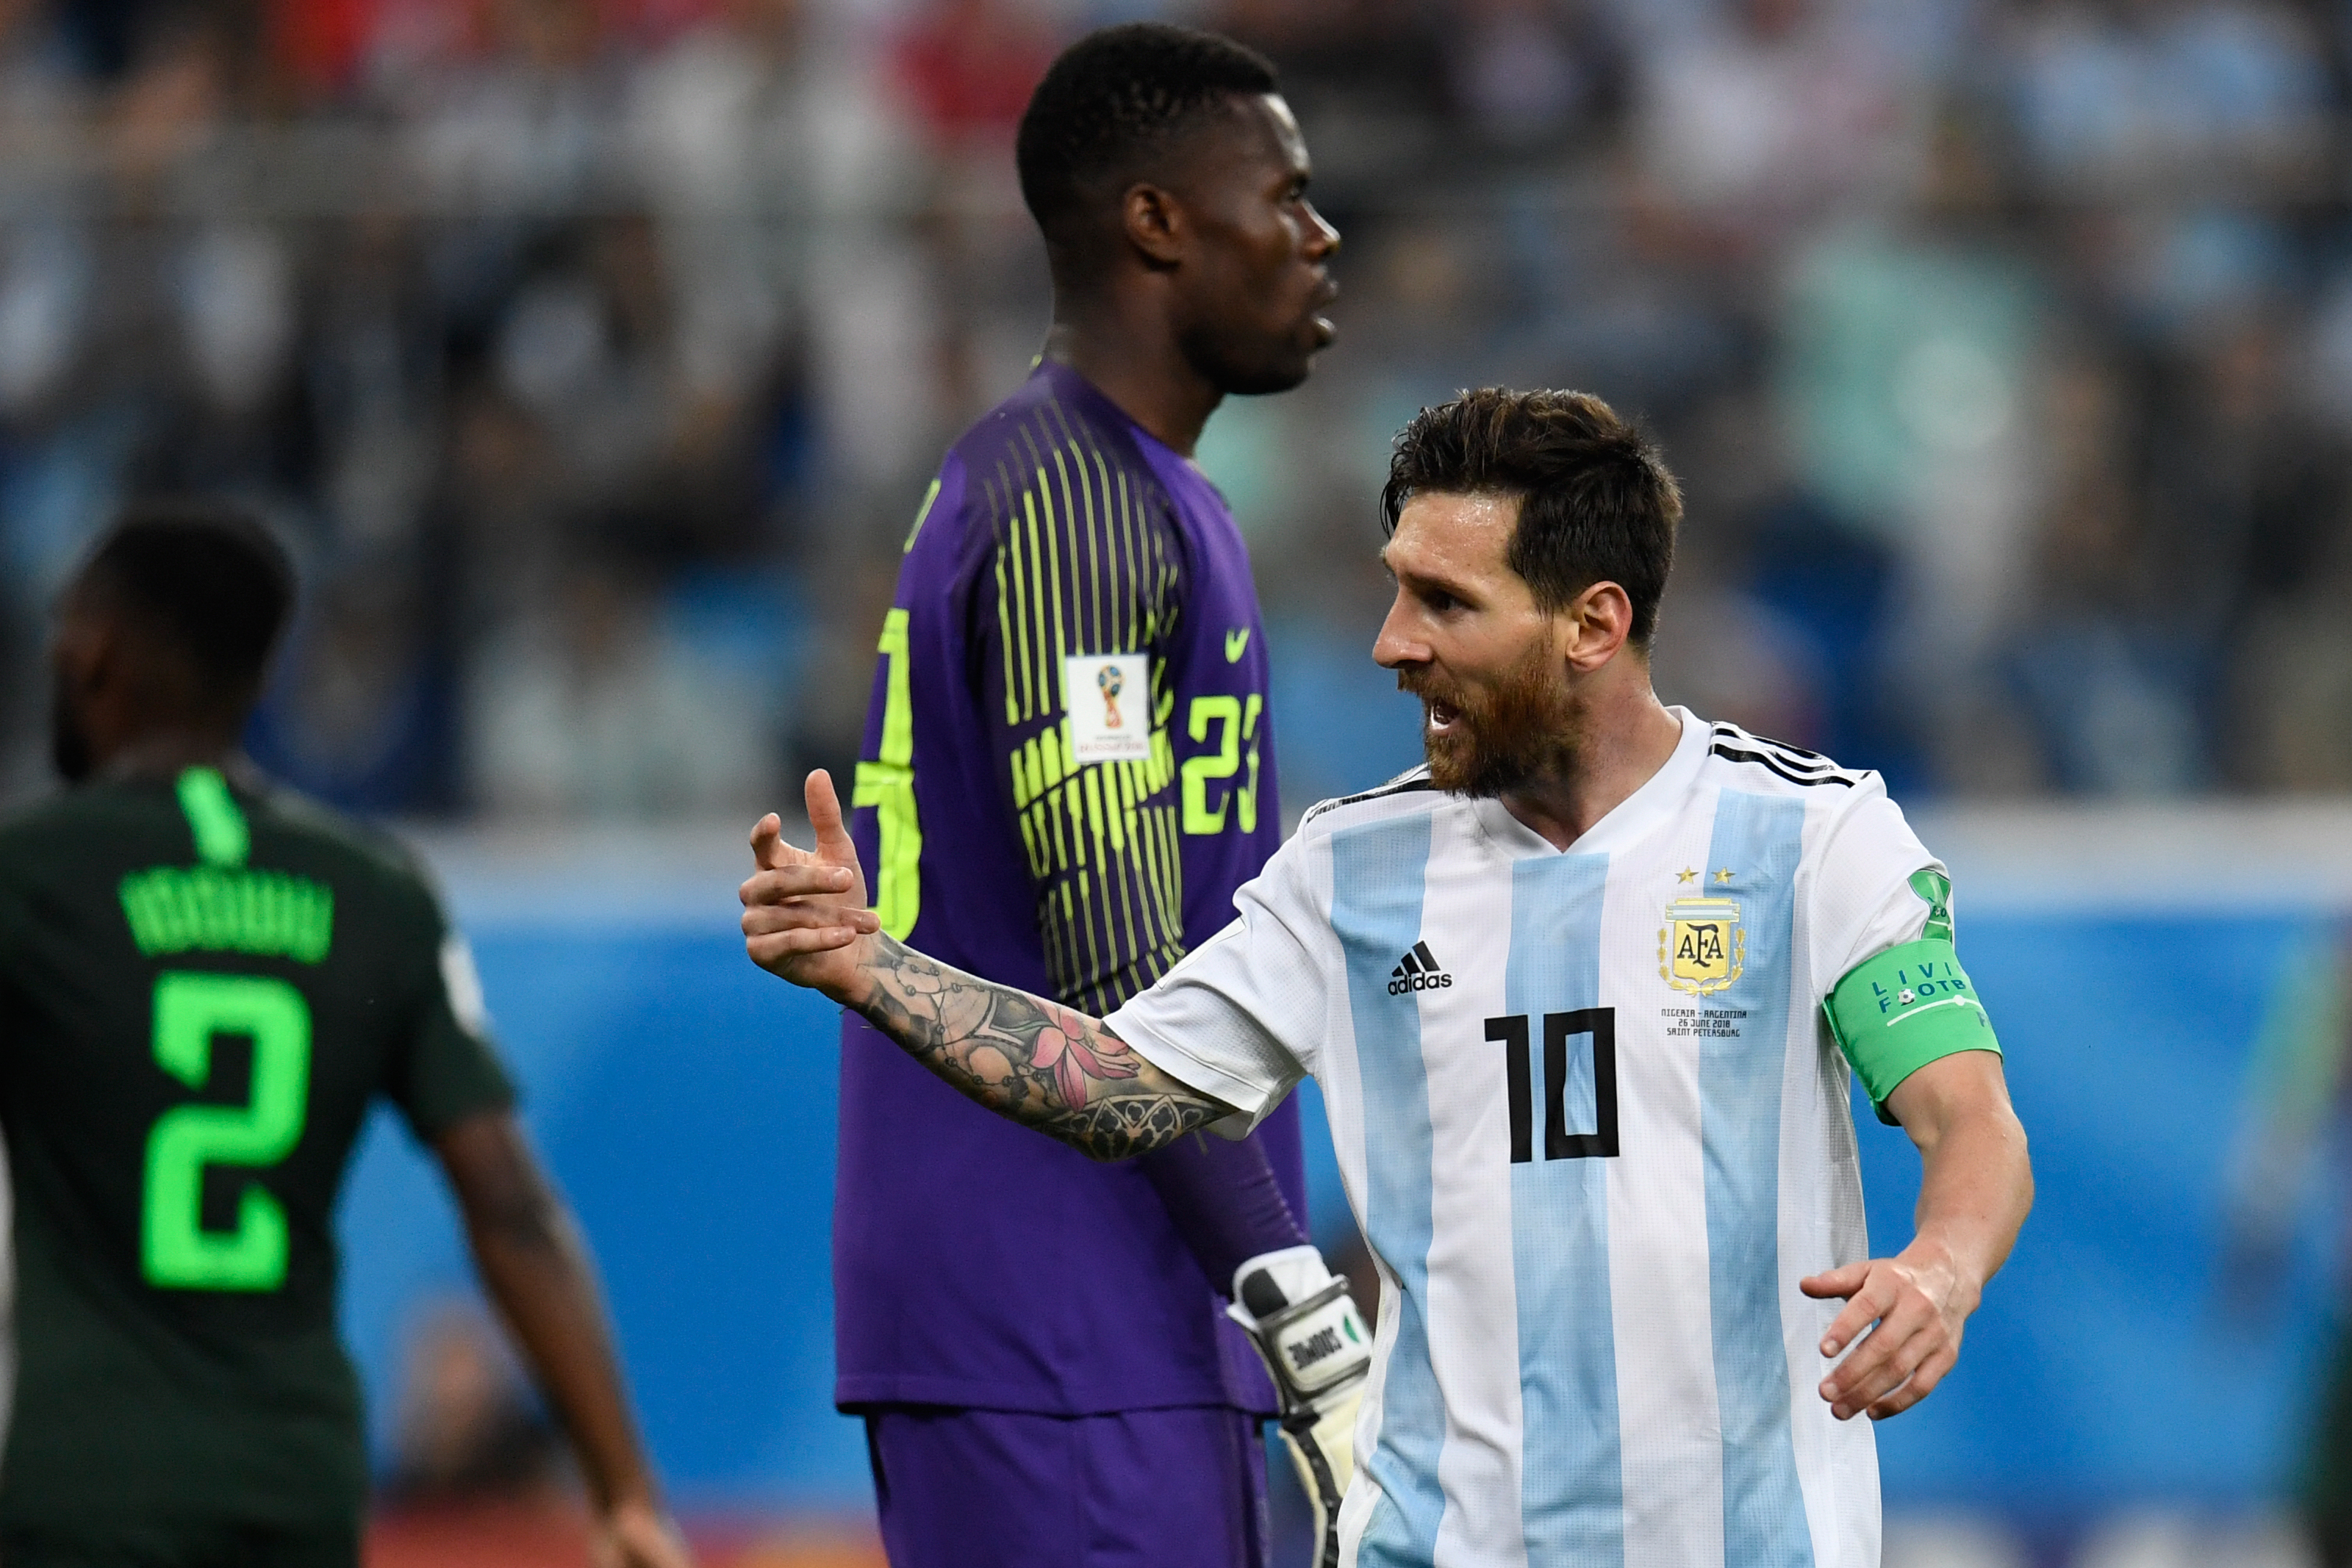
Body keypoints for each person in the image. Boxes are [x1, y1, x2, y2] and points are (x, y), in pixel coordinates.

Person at [746, 387, 2035, 1568]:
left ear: (1594, 623)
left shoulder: (1813, 838)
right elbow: (1119, 1086)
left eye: (1446, 603)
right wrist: (875, 968)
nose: (1391, 643)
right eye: (1396, 590)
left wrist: (1940, 1268)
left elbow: (1970, 1118)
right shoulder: (1351, 868)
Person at [828, 21, 1363, 1568]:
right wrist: (1297, 1297)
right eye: (1286, 195)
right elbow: (1129, 967)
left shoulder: (1131, 489)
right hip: (1056, 1312)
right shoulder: (1075, 504)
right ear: (1157, 221)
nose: (1321, 237)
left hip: (1119, 1304)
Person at [0, 505, 691, 1568]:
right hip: (291, 1480)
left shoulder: (33, 877)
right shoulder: (375, 891)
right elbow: (509, 1206)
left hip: (83, 1476)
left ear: (96, 653)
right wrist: (625, 1491)